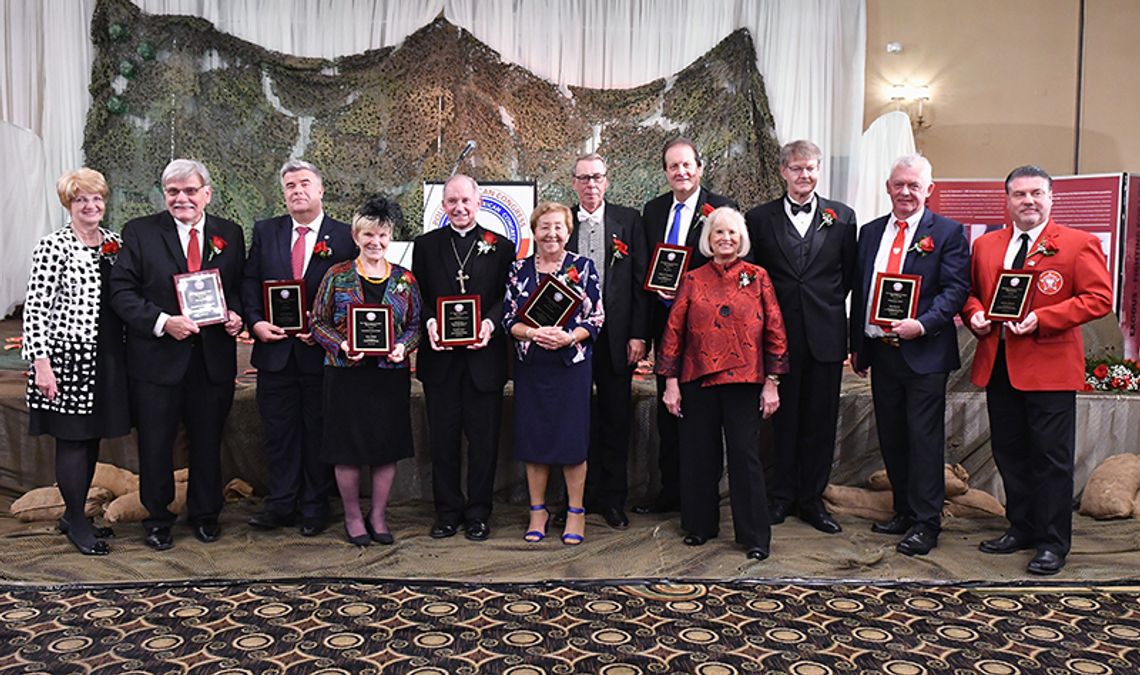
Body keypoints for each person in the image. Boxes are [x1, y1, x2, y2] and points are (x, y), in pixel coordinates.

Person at [962, 165, 1112, 575]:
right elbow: (972, 294)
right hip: (999, 365)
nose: (1028, 201)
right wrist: (975, 315)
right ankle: (1022, 527)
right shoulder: (987, 245)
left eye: (1036, 194)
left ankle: (1052, 542)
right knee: (1009, 454)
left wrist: (1044, 318)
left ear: (1051, 198)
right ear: (1007, 200)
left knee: (1051, 459)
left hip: (1050, 368)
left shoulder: (1078, 244)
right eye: (1019, 194)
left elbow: (1100, 298)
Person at [110, 159, 245, 551]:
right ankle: (157, 518)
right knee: (156, 443)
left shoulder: (230, 234)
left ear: (207, 193)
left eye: (189, 190)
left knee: (208, 441)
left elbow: (234, 287)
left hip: (211, 360)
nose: (181, 198)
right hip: (156, 360)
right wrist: (162, 321)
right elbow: (121, 292)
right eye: (173, 191)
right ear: (164, 194)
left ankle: (205, 515)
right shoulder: (139, 233)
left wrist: (236, 314)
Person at [849, 154, 969, 556]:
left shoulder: (949, 232)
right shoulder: (869, 233)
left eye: (914, 185)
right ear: (888, 187)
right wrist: (858, 346)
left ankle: (926, 522)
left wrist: (923, 323)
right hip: (882, 352)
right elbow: (860, 292)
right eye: (899, 184)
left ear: (929, 190)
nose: (906, 192)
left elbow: (955, 290)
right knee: (893, 437)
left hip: (924, 353)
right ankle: (902, 510)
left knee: (924, 440)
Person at [656, 207, 788, 560]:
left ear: (741, 238)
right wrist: (670, 382)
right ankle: (700, 526)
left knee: (746, 459)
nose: (725, 238)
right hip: (697, 380)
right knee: (699, 455)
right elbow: (673, 334)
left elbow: (775, 331)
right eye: (718, 233)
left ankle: (755, 536)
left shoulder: (758, 277)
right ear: (708, 240)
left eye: (731, 233)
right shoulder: (693, 279)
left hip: (746, 381)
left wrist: (771, 382)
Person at [745, 140, 857, 534]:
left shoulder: (842, 217)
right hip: (775, 340)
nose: (804, 175)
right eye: (796, 168)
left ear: (819, 170)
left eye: (810, 168)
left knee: (820, 421)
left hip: (825, 337)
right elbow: (753, 283)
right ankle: (780, 497)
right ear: (783, 172)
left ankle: (812, 500)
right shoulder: (758, 219)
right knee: (779, 421)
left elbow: (848, 280)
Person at [241, 160, 356, 537]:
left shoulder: (344, 236)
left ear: (321, 190)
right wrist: (255, 322)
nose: (297, 190)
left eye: (304, 183)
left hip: (320, 354)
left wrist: (329, 331)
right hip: (274, 353)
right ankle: (280, 503)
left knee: (317, 430)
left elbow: (355, 294)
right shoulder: (266, 231)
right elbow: (250, 282)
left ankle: (314, 505)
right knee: (278, 432)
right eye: (289, 185)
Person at [22, 168, 130, 555]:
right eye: (81, 199)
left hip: (108, 356)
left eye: (97, 198)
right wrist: (41, 363)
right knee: (72, 439)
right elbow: (35, 310)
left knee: (91, 438)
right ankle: (78, 521)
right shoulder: (53, 246)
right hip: (66, 357)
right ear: (69, 204)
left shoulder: (115, 243)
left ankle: (72, 515)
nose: (91, 205)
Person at [310, 197, 422, 546]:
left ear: (391, 238)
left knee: (385, 447)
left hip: (388, 375)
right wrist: (341, 345)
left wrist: (405, 344)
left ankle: (377, 514)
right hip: (346, 374)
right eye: (368, 235)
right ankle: (353, 515)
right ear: (356, 236)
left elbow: (416, 323)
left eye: (383, 235)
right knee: (347, 449)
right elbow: (318, 321)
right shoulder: (337, 275)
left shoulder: (405, 279)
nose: (376, 242)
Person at [412, 174, 515, 541]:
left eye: (465, 201)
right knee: (443, 440)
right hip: (440, 360)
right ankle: (447, 512)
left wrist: (489, 323)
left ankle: (478, 512)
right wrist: (429, 323)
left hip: (483, 361)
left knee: (484, 442)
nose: (459, 207)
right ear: (443, 205)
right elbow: (417, 294)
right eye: (452, 201)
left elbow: (508, 297)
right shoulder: (425, 246)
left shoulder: (501, 246)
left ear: (479, 203)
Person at [637, 137, 737, 515]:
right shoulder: (653, 210)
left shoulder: (723, 208)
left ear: (699, 167)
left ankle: (701, 497)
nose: (680, 172)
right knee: (669, 410)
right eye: (673, 166)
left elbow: (735, 267)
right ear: (665, 172)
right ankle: (670, 493)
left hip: (709, 330)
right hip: (666, 328)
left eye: (686, 165)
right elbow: (645, 271)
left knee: (705, 415)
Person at [504, 202, 605, 545]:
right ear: (534, 231)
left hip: (570, 367)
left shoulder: (583, 267)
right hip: (532, 367)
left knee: (572, 440)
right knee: (535, 440)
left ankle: (576, 512)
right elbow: (508, 319)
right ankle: (538, 510)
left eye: (558, 227)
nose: (552, 233)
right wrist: (532, 333)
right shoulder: (517, 270)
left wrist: (568, 336)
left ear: (568, 231)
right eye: (544, 226)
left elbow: (596, 319)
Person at [565, 153, 648, 529]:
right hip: (572, 341)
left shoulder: (629, 221)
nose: (591, 185)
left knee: (615, 420)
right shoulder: (562, 220)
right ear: (573, 183)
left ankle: (613, 500)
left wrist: (638, 334)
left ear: (608, 180)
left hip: (618, 341)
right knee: (575, 419)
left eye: (597, 177)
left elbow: (640, 283)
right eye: (583, 178)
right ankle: (575, 500)